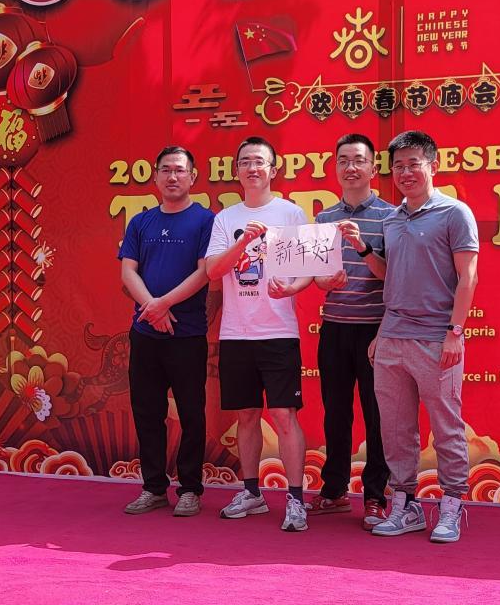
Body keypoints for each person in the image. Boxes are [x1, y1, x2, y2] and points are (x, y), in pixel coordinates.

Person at [369, 130, 479, 544]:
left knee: (446, 426)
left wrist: (455, 332)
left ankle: (451, 504)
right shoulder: (391, 219)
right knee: (395, 429)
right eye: (398, 166)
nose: (405, 172)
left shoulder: (455, 213)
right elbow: (393, 279)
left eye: (413, 163)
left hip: (436, 338)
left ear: (434, 165)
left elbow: (468, 277)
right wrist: (382, 332)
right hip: (392, 338)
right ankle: (405, 504)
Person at [205, 136, 312, 532]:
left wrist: (292, 288)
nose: (253, 168)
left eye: (260, 162)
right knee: (246, 415)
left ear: (273, 170)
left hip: (278, 332)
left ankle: (296, 499)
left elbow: (308, 270)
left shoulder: (291, 213)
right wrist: (245, 242)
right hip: (236, 333)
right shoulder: (225, 219)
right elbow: (213, 271)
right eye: (245, 162)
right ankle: (251, 493)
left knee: (284, 415)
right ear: (237, 171)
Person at [119, 146, 215, 517]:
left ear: (193, 176)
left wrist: (164, 305)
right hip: (145, 333)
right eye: (165, 170)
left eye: (179, 170)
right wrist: (152, 308)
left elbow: (205, 272)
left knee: (191, 412)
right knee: (147, 412)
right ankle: (153, 487)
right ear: (155, 176)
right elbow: (128, 272)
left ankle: (190, 489)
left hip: (186, 333)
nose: (172, 177)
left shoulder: (206, 220)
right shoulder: (140, 222)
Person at [310, 134, 394, 530]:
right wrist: (324, 282)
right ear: (335, 167)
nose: (351, 167)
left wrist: (362, 247)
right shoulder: (323, 219)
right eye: (343, 160)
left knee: (378, 417)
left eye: (359, 160)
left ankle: (376, 496)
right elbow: (316, 277)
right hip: (335, 328)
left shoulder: (392, 217)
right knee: (336, 413)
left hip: (376, 331)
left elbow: (392, 275)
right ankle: (334, 490)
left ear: (373, 168)